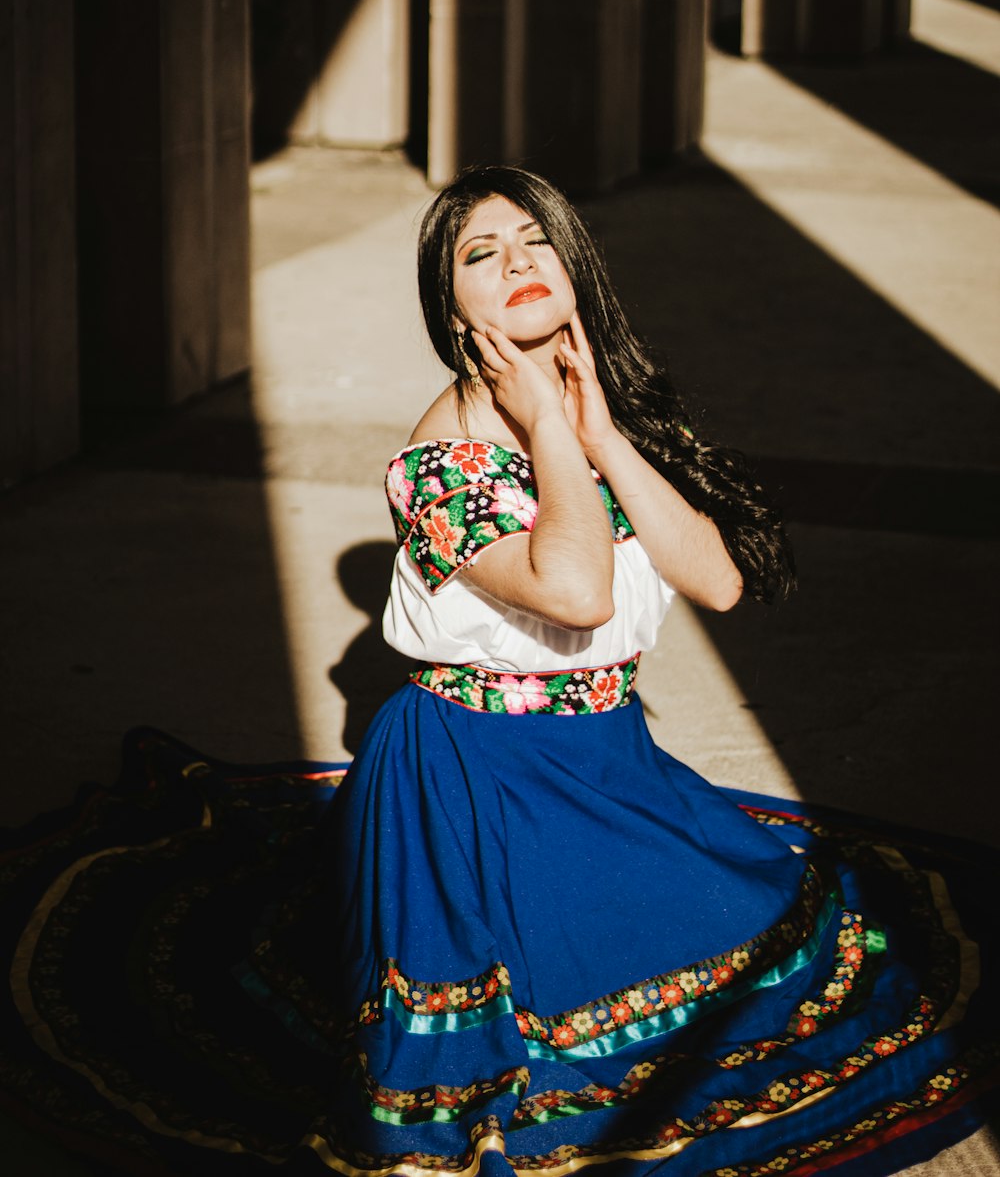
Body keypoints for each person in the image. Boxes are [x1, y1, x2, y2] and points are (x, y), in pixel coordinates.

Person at [0, 165, 996, 1177]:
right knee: (526, 1037)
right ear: (450, 305)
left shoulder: (603, 405)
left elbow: (721, 585)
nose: (519, 263)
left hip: (610, 756)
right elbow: (575, 593)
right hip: (481, 776)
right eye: (483, 253)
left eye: (536, 240)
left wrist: (599, 430)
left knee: (788, 938)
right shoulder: (439, 460)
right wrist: (558, 436)